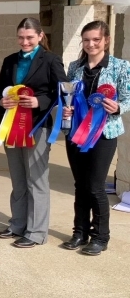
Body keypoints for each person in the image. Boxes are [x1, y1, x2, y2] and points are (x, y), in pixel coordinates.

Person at [0, 17, 67, 248]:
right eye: (21, 37)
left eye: (29, 37)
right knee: (17, 179)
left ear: (40, 36)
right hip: (11, 127)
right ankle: (17, 224)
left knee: (36, 179)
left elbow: (62, 90)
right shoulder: (9, 61)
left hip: (37, 126)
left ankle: (36, 232)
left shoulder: (51, 60)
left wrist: (39, 101)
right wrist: (2, 102)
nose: (24, 42)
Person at [62, 21, 130, 256]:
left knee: (95, 186)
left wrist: (118, 106)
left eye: (96, 40)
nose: (91, 44)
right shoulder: (75, 67)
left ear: (106, 40)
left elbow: (128, 97)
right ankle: (79, 232)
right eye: (87, 40)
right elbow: (69, 96)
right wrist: (67, 110)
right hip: (77, 133)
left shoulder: (120, 66)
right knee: (80, 185)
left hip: (104, 133)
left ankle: (100, 236)